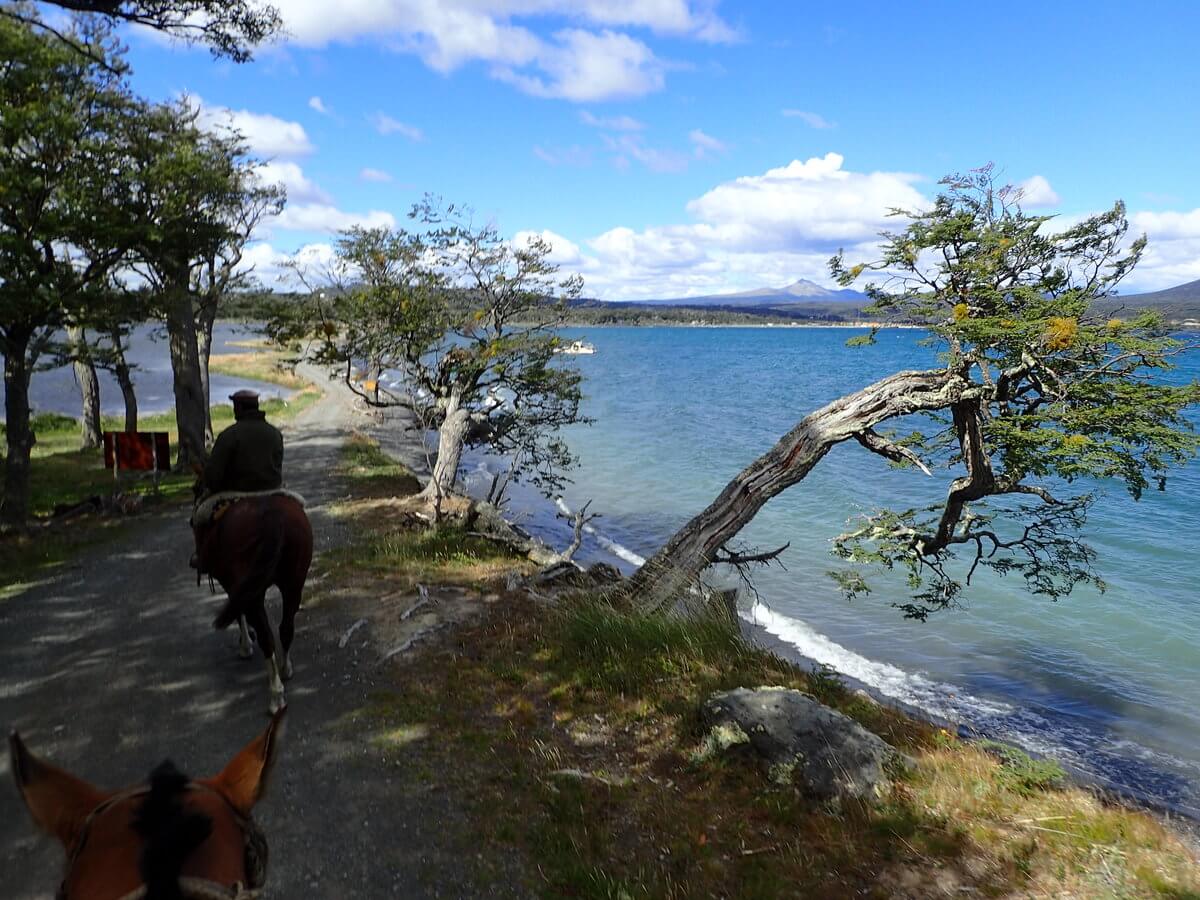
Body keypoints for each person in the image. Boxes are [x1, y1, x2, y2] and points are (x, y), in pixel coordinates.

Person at [191, 390, 284, 572]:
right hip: (272, 489)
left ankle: (201, 556)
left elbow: (214, 475)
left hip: (236, 491)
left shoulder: (229, 435)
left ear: (239, 408)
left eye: (235, 407)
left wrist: (210, 483)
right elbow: (278, 464)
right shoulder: (274, 433)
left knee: (199, 515)